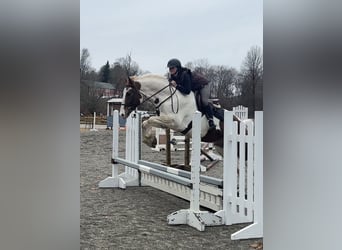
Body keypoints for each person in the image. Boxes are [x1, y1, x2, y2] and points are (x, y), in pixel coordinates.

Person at [167, 58, 215, 129]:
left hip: (203, 85)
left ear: (178, 68)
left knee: (204, 101)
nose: (170, 69)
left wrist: (176, 86)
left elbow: (187, 91)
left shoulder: (185, 74)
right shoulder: (173, 76)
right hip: (194, 87)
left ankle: (210, 120)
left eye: (172, 68)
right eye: (169, 68)